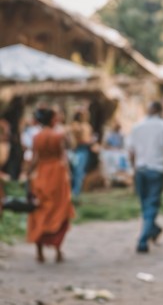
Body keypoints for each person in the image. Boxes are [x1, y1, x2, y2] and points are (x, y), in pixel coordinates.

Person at [127, 101, 163, 253]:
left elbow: (131, 151)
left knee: (146, 205)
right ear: (160, 111)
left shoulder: (137, 127)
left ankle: (153, 230)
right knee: (151, 205)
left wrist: (134, 168)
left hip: (140, 170)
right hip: (157, 170)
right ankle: (143, 240)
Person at [26, 108, 75, 263]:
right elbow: (64, 155)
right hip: (57, 176)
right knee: (59, 211)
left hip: (41, 175)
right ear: (53, 119)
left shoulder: (36, 137)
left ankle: (39, 252)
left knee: (39, 211)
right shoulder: (58, 135)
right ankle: (58, 250)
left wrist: (28, 175)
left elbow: (34, 159)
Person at [68, 109, 94, 201]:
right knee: (76, 171)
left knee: (81, 172)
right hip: (78, 150)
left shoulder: (87, 126)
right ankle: (74, 192)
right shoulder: (75, 125)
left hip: (86, 149)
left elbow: (89, 137)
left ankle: (77, 192)